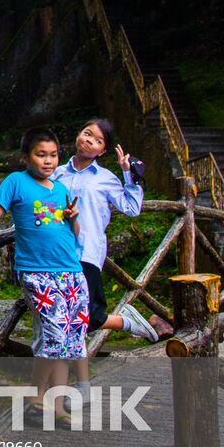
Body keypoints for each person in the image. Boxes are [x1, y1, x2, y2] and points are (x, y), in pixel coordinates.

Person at [0, 127, 85, 425]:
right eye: (41, 155)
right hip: (37, 272)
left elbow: (74, 234)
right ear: (26, 157)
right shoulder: (16, 182)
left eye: (53, 155)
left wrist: (73, 219)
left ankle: (57, 407)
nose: (48, 161)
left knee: (70, 340)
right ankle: (36, 398)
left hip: (72, 271)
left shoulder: (61, 189)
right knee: (55, 335)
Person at [53, 119, 159, 409]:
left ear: (102, 151)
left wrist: (127, 174)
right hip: (56, 255)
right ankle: (81, 387)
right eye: (87, 133)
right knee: (69, 324)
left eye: (97, 140)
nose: (89, 140)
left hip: (86, 253)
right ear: (79, 135)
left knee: (86, 319)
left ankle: (126, 323)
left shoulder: (106, 178)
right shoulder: (57, 173)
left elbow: (131, 208)